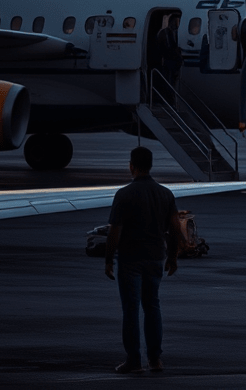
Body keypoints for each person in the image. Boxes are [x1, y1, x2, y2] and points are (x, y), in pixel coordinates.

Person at [104, 146, 180, 374]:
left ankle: (133, 359)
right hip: (156, 257)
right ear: (150, 166)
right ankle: (155, 359)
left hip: (130, 259)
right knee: (152, 306)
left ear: (132, 166)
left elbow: (114, 231)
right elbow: (175, 229)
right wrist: (173, 257)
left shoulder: (124, 194)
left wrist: (109, 260)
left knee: (131, 310)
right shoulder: (165, 193)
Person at [156, 14, 183, 91]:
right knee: (169, 80)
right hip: (169, 60)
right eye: (176, 21)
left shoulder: (170, 32)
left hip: (169, 60)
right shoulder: (166, 33)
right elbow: (169, 48)